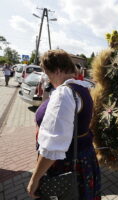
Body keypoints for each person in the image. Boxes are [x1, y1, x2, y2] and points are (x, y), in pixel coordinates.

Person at [27, 49, 101, 199]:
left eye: (48, 74)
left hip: (68, 164)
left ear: (58, 70)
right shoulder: (82, 88)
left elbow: (53, 146)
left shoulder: (64, 94)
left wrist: (34, 179)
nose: (48, 79)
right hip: (84, 158)